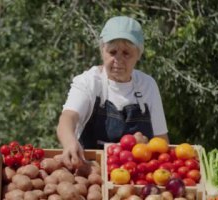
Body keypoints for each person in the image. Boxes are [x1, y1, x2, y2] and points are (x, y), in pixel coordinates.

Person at [56, 16, 169, 169]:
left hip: (137, 175)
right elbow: (68, 117)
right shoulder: (89, 81)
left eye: (126, 53)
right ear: (103, 51)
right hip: (91, 170)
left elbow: (161, 141)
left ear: (138, 54)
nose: (118, 59)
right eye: (113, 52)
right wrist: (70, 142)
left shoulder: (147, 85)